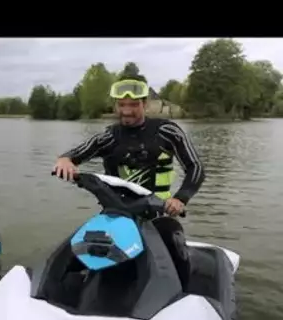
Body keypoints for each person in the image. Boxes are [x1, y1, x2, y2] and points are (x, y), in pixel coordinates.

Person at [53, 74, 205, 289]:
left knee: (175, 250)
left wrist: (180, 198)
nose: (126, 111)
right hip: (117, 216)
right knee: (76, 254)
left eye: (133, 105)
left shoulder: (168, 131)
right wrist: (64, 161)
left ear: (145, 104)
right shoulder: (108, 137)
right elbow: (71, 156)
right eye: (122, 105)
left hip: (157, 214)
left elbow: (195, 167)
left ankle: (183, 295)